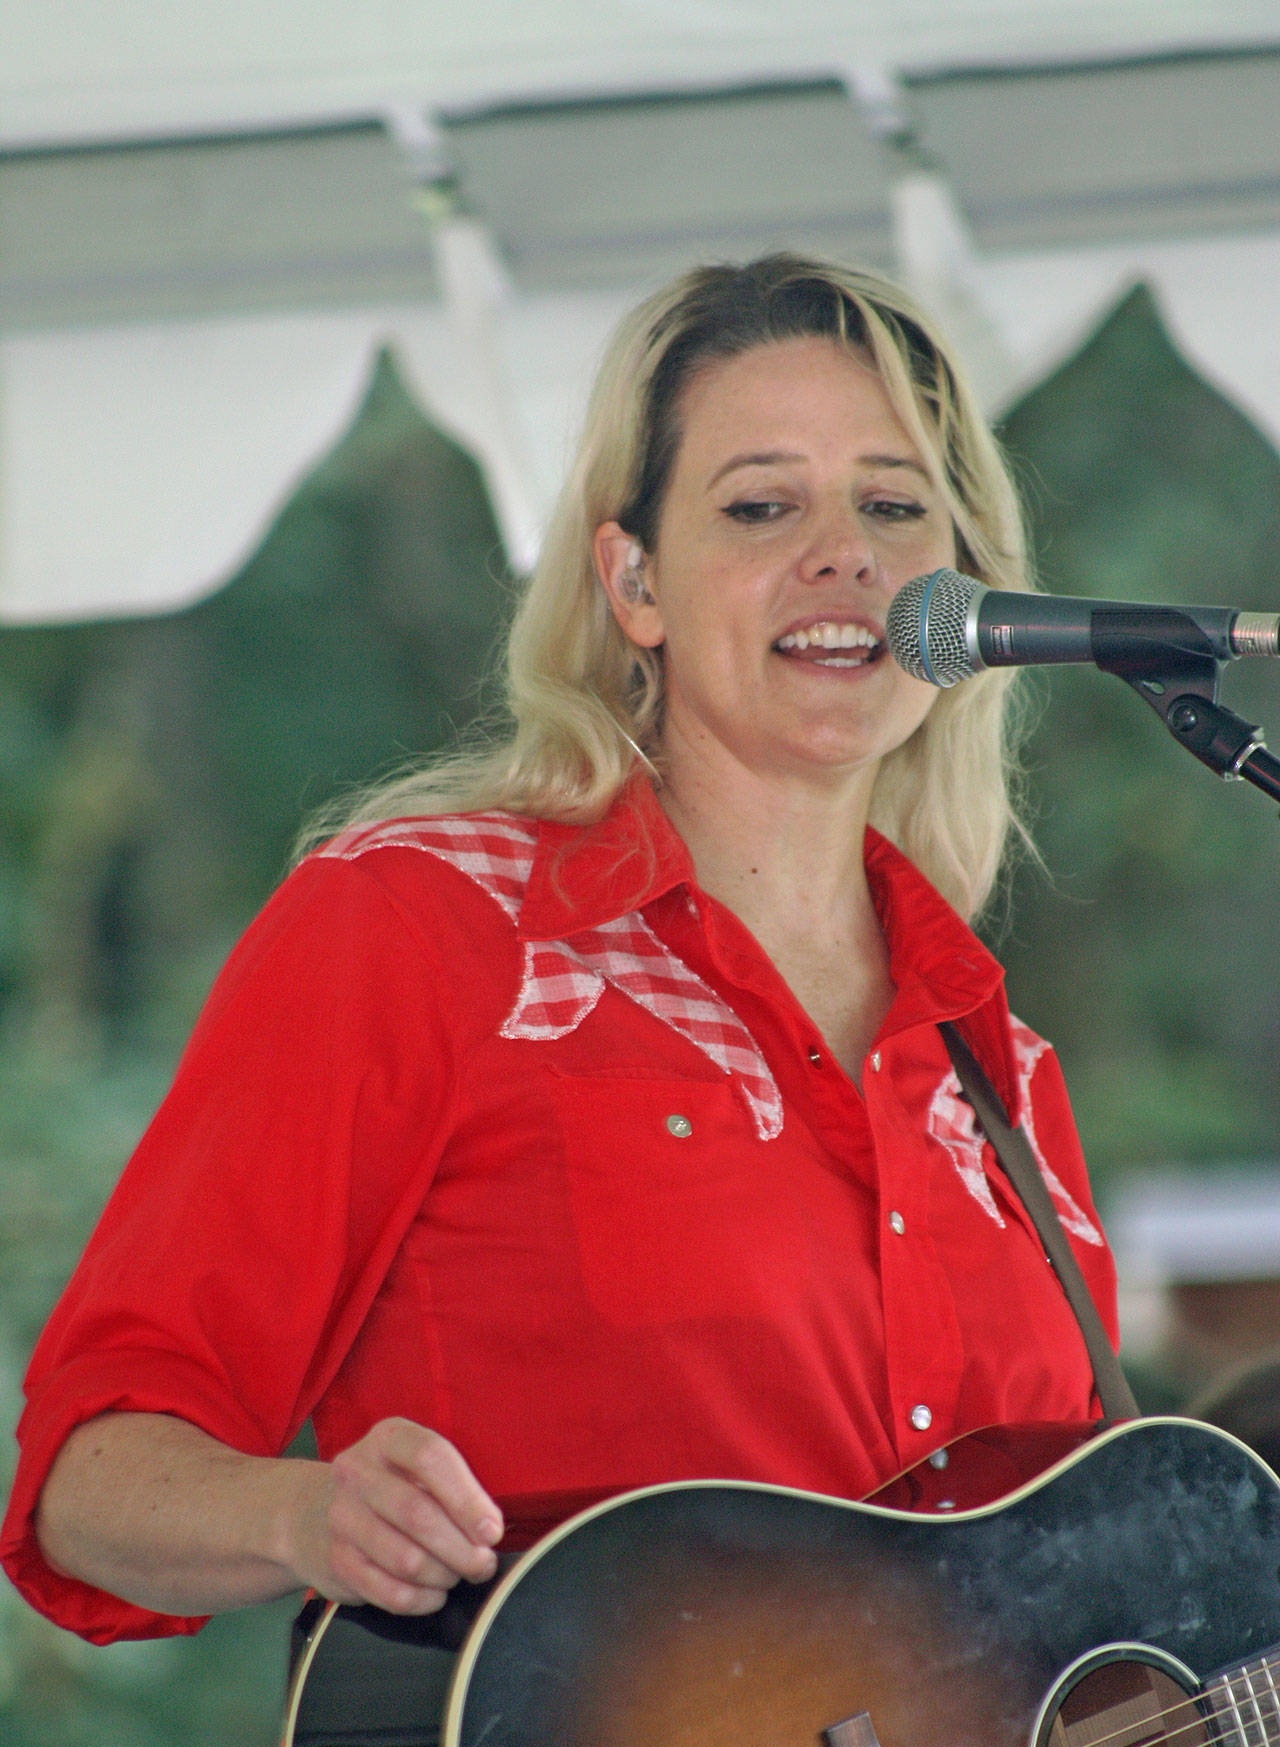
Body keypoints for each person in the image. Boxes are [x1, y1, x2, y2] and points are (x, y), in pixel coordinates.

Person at [1, 254, 1119, 1649]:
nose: (846, 554)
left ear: (965, 598)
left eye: (894, 505)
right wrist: (303, 1516)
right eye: (761, 505)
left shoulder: (998, 1072)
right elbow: (85, 1484)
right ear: (633, 582)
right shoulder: (420, 926)